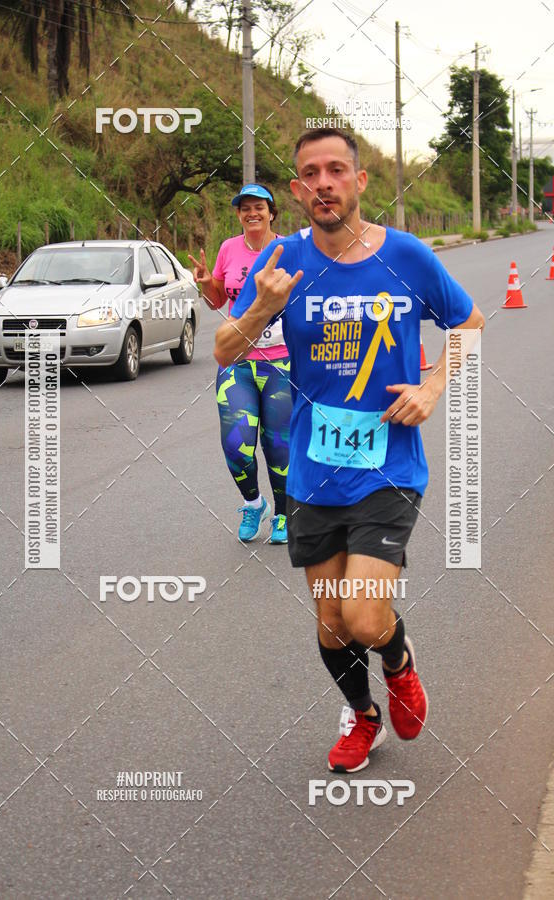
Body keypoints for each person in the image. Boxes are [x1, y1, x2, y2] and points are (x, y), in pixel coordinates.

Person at [214, 129, 485, 772]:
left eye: (338, 170)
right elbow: (225, 349)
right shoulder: (279, 260)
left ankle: (397, 658)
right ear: (298, 189)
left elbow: (469, 325)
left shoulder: (408, 256)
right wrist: (263, 310)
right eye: (311, 173)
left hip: (388, 467)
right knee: (332, 623)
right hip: (312, 473)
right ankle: (363, 716)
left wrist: (434, 384)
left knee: (365, 618)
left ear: (361, 182)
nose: (325, 182)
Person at [189, 184, 292, 544]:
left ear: (271, 212)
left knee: (279, 447)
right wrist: (205, 283)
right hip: (238, 361)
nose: (252, 213)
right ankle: (254, 503)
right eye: (245, 208)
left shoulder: (288, 249)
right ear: (238, 214)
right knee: (236, 444)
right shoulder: (229, 249)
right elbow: (218, 298)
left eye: (259, 207)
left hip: (283, 364)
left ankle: (283, 514)